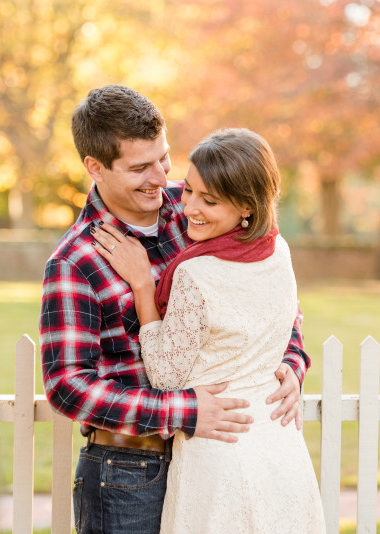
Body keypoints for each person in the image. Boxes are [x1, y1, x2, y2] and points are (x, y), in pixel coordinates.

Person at [39, 85, 311, 534]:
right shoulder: (75, 261)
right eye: (140, 167)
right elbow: (68, 387)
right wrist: (185, 412)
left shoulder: (202, 205)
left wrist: (290, 361)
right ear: (95, 168)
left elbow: (269, 294)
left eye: (163, 159)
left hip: (219, 460)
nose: (160, 177)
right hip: (129, 472)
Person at [90, 128, 325, 533]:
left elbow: (165, 375)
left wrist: (144, 287)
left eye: (208, 200)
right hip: (279, 446)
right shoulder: (277, 250)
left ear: (247, 207)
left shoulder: (196, 273)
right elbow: (282, 320)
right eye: (189, 191)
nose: (189, 208)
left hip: (219, 453)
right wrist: (292, 361)